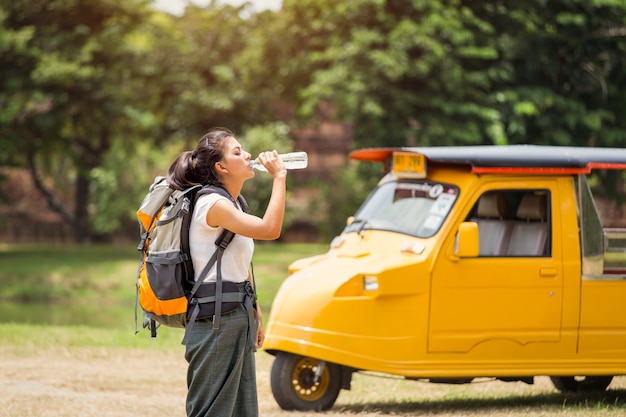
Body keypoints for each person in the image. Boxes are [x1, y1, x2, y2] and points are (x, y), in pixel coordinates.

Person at [166, 127, 287, 417]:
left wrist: (255, 312)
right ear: (221, 167)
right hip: (215, 322)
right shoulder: (214, 205)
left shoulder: (234, 203)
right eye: (237, 152)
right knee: (212, 411)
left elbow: (239, 266)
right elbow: (271, 229)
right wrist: (280, 177)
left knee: (240, 410)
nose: (247, 155)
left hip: (236, 315)